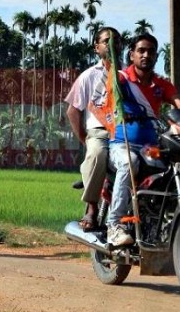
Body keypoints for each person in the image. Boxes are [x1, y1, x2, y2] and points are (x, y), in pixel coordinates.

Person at [104, 33, 180, 246]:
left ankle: (163, 224)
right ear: (132, 54)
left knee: (173, 171)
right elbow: (109, 98)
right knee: (130, 163)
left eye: (151, 51)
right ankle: (114, 226)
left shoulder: (161, 84)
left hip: (150, 147)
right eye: (141, 51)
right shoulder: (121, 79)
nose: (146, 55)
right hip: (121, 143)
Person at [65, 27, 124, 231]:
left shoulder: (128, 75)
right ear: (96, 48)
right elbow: (73, 112)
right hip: (99, 131)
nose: (112, 44)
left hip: (126, 132)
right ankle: (91, 208)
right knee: (97, 153)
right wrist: (86, 140)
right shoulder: (88, 76)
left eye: (116, 41)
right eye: (106, 41)